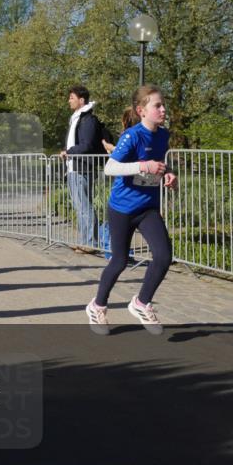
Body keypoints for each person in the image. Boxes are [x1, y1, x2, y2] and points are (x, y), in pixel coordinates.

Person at [86, 85, 176, 336]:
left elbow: (159, 164)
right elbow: (110, 168)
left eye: (163, 104)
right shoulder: (132, 136)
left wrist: (168, 173)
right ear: (141, 110)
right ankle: (97, 305)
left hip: (147, 207)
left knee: (163, 255)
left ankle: (141, 302)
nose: (163, 109)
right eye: (157, 105)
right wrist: (142, 166)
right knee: (120, 261)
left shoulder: (163, 134)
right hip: (122, 209)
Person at [61, 86, 109, 247]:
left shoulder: (88, 120)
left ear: (82, 100)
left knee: (84, 207)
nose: (69, 100)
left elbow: (87, 145)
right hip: (74, 168)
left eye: (72, 97)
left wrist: (69, 152)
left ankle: (90, 243)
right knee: (80, 206)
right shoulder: (78, 118)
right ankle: (85, 241)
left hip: (82, 168)